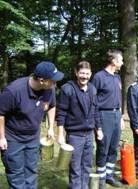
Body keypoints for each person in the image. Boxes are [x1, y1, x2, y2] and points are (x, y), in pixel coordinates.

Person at [0, 61, 64, 189]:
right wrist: (1, 137)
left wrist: (51, 127)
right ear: (42, 80)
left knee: (31, 172)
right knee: (16, 175)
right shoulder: (13, 91)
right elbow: (0, 114)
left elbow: (52, 106)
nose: (55, 84)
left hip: (33, 138)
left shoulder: (49, 89)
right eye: (53, 80)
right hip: (13, 139)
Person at [56, 61, 104, 189]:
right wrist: (60, 134)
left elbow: (95, 111)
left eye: (87, 74)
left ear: (91, 74)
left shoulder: (93, 89)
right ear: (76, 72)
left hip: (89, 135)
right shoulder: (67, 89)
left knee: (87, 165)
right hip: (74, 136)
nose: (84, 76)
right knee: (75, 167)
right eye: (82, 73)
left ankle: (84, 186)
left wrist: (98, 129)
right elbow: (61, 114)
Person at [91, 50, 125, 189]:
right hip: (104, 116)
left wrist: (121, 116)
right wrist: (96, 124)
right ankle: (101, 178)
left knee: (113, 147)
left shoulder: (117, 77)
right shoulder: (99, 77)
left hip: (117, 115)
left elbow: (119, 99)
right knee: (103, 147)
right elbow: (92, 100)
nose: (122, 63)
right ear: (114, 61)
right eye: (121, 60)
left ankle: (109, 176)